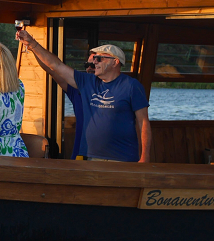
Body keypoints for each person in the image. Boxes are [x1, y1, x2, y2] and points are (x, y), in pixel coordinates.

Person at [17, 31, 151, 163]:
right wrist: (32, 44)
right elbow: (55, 66)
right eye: (93, 60)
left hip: (123, 158)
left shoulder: (132, 86)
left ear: (115, 62)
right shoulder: (87, 82)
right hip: (92, 158)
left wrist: (144, 156)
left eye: (99, 59)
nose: (94, 63)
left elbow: (143, 123)